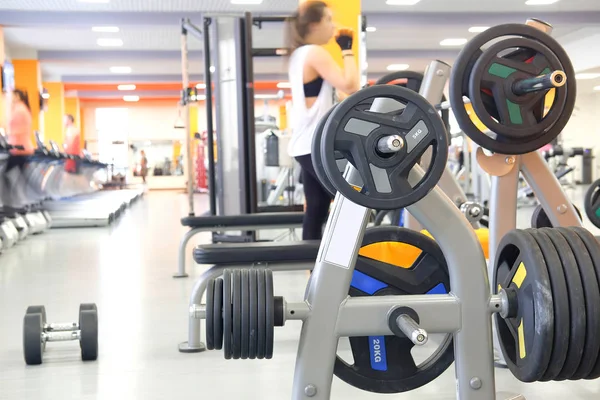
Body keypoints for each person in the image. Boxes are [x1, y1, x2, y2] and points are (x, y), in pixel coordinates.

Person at [285, 1, 360, 240]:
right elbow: (351, 85)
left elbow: (337, 95)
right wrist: (347, 49)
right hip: (313, 145)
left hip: (306, 144)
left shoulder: (299, 55)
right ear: (315, 24)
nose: (333, 25)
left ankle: (313, 272)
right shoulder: (314, 53)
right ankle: (342, 269)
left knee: (317, 207)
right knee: (349, 203)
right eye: (329, 19)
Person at [7, 89, 34, 156]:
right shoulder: (22, 108)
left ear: (17, 96)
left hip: (19, 147)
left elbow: (16, 129)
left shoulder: (19, 110)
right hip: (21, 147)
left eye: (12, 96)